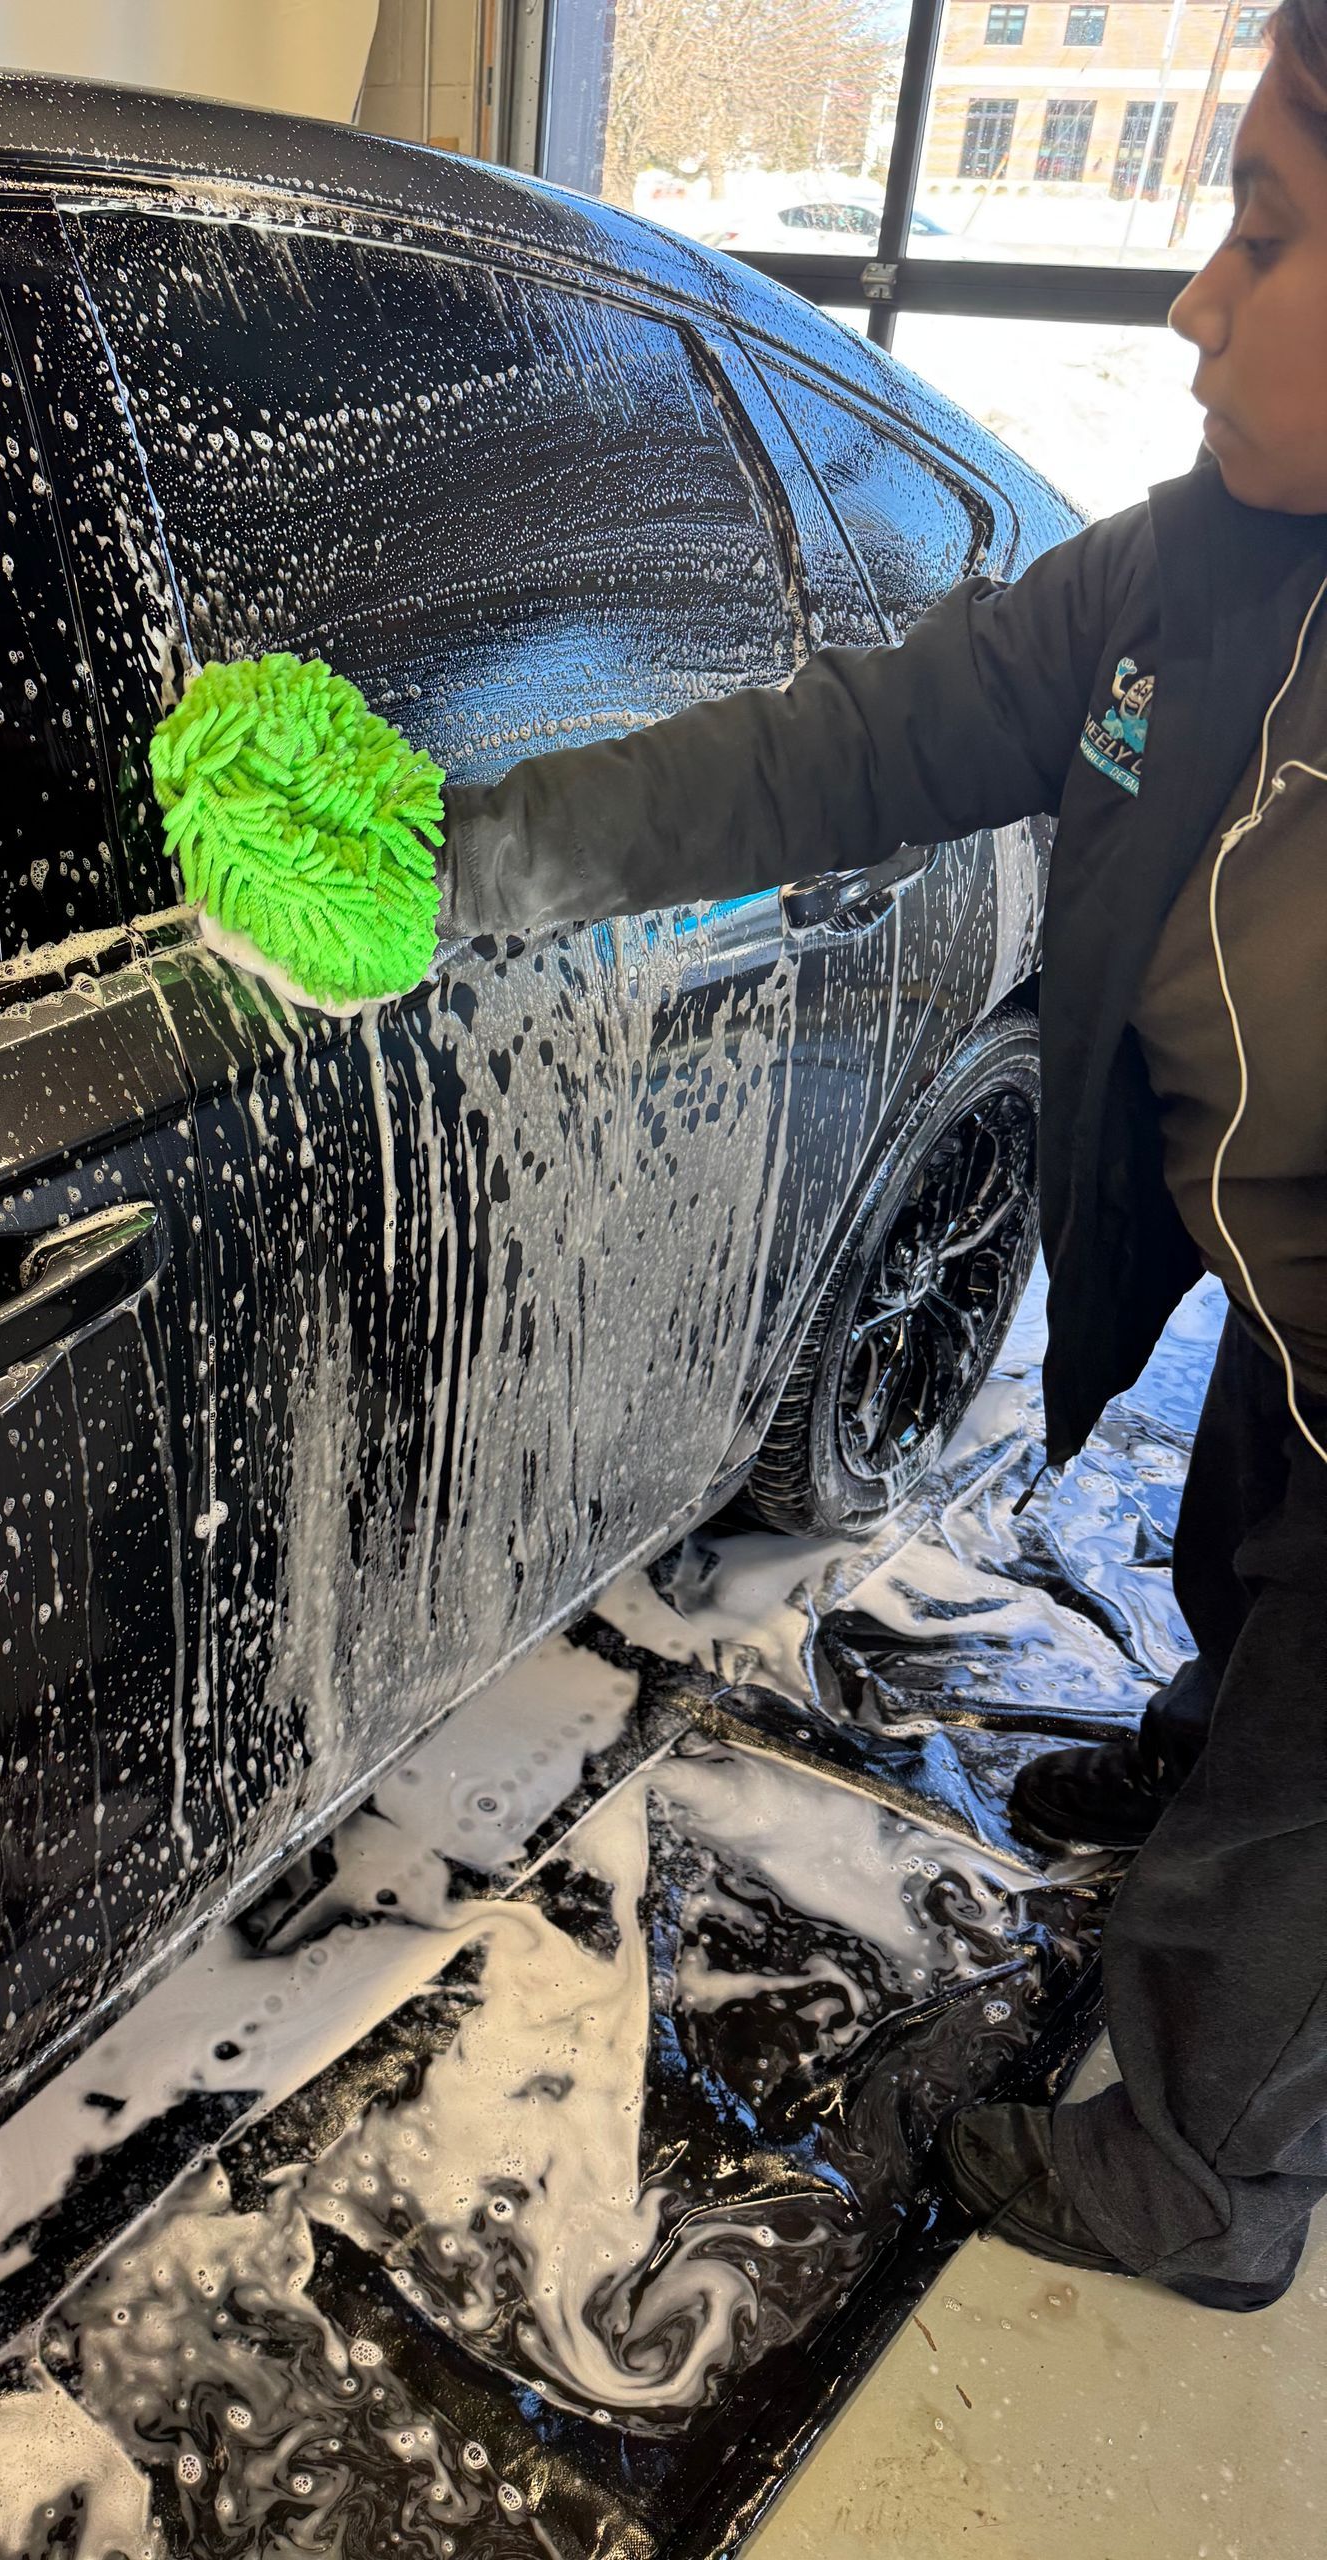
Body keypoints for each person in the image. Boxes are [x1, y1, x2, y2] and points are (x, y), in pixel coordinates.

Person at [435, 1, 1327, 2312]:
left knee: (1310, 1810)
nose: (1193, 304)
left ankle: (1209, 2182)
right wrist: (483, 857)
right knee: (1256, 1548)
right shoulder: (1179, 576)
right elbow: (874, 738)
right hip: (1295, 1254)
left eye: (1266, 234)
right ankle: (1204, 1740)